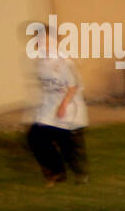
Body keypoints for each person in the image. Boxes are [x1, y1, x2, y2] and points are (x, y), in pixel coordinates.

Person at [27, 31, 88, 186]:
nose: (44, 46)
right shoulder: (41, 62)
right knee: (35, 138)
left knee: (69, 145)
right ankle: (56, 173)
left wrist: (63, 105)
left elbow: (73, 86)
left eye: (48, 42)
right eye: (40, 42)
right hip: (49, 109)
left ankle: (81, 175)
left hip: (68, 108)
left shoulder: (64, 62)